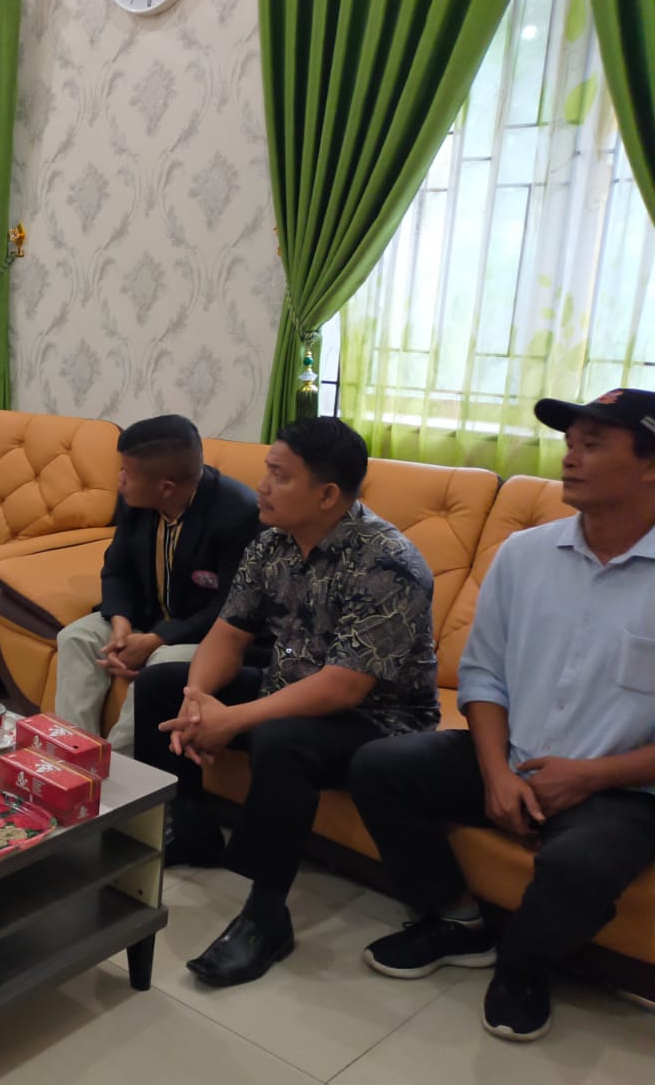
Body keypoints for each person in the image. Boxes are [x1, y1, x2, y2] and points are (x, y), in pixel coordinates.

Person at [350, 389, 655, 1043]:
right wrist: (496, 773)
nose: (569, 458)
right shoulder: (525, 554)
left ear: (651, 465)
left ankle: (523, 968)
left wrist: (591, 776)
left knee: (579, 864)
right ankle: (457, 921)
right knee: (379, 765)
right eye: (569, 443)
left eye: (593, 445)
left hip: (624, 787)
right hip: (513, 753)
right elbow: (483, 675)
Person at [131, 417, 439, 987]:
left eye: (279, 475)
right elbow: (228, 634)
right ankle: (189, 823)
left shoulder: (387, 562)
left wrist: (233, 719)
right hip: (291, 688)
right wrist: (199, 699)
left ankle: (266, 915)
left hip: (378, 721)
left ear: (326, 494)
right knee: (160, 684)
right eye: (267, 471)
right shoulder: (272, 542)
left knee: (280, 738)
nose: (262, 485)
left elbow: (344, 686)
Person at [54, 414, 261, 756]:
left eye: (126, 473)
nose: (119, 480)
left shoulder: (238, 514)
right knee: (76, 637)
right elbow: (116, 569)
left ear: (165, 487)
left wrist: (156, 639)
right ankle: (72, 754)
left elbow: (231, 607)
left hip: (207, 636)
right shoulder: (137, 499)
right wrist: (120, 625)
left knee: (163, 661)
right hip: (146, 617)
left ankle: (120, 766)